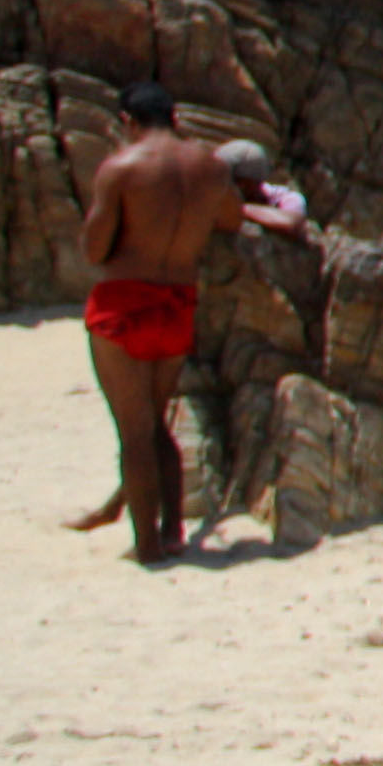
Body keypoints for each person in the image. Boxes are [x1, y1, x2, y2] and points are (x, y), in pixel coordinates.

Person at [66, 85, 306, 564]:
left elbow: (95, 250)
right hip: (178, 302)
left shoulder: (120, 168)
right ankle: (174, 528)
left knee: (134, 433)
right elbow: (231, 219)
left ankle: (149, 546)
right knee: (158, 423)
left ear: (128, 121)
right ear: (174, 116)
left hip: (123, 304)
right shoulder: (211, 168)